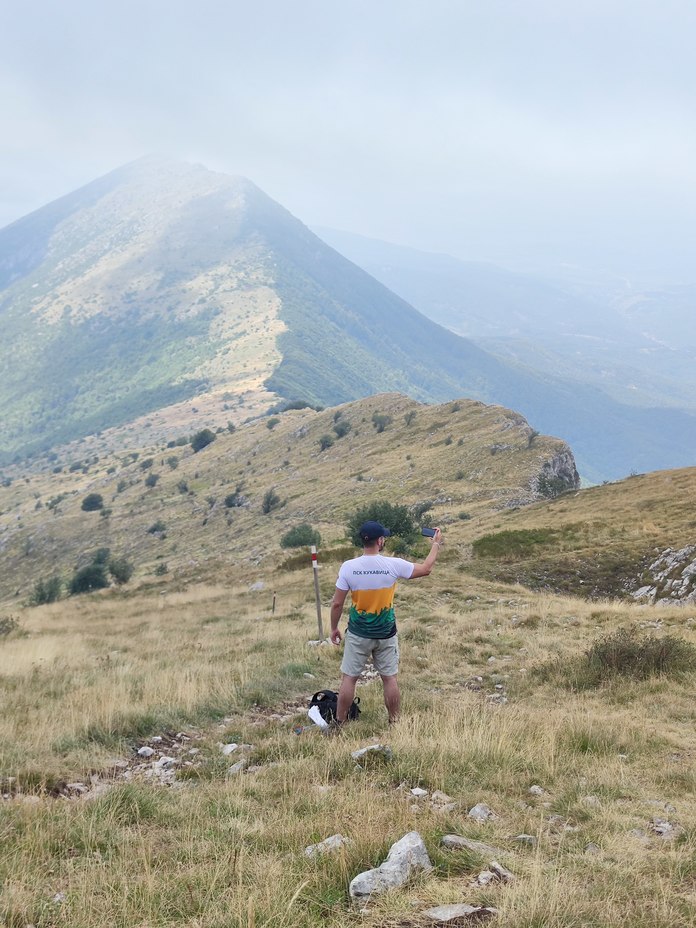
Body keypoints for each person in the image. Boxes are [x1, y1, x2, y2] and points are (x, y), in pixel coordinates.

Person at [329, 519, 442, 725]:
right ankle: (394, 722)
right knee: (389, 679)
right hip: (386, 633)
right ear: (380, 541)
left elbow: (337, 603)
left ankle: (340, 722)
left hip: (358, 633)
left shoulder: (348, 567)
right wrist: (436, 543)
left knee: (349, 678)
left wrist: (334, 627)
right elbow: (426, 569)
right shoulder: (392, 564)